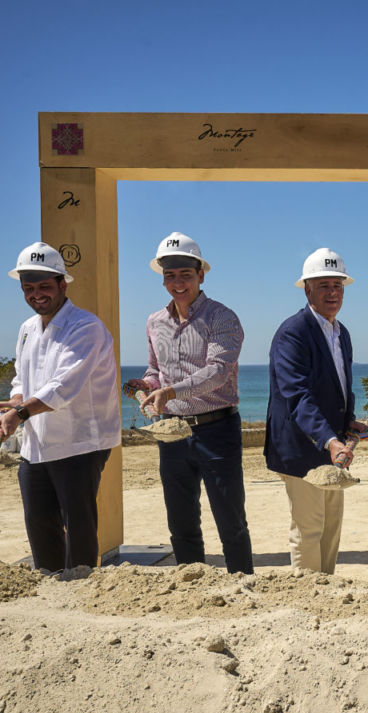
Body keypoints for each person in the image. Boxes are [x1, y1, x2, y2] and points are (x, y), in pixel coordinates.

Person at [0, 242, 120, 572]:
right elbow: (23, 379)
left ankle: (83, 586)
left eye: (44, 286)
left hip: (80, 444)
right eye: (28, 288)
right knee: (38, 519)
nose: (36, 294)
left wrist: (18, 414)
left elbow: (65, 387)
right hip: (37, 443)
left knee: (79, 525)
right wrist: (15, 403)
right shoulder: (27, 329)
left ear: (63, 284)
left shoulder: (85, 327)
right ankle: (49, 586)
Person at [126, 232, 253, 574]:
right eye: (170, 275)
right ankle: (190, 587)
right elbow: (156, 369)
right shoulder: (155, 322)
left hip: (218, 430)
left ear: (201, 275)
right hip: (173, 435)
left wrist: (168, 392)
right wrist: (147, 384)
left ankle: (244, 589)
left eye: (185, 274)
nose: (177, 282)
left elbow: (218, 372)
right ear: (162, 277)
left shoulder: (222, 318)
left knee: (231, 521)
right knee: (180, 522)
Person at [265, 248, 368, 574]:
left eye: (337, 285)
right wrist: (330, 440)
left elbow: (340, 386)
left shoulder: (342, 333)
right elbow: (297, 396)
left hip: (331, 446)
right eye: (323, 285)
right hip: (302, 449)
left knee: (331, 528)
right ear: (307, 288)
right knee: (308, 529)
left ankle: (328, 593)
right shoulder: (292, 333)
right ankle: (306, 600)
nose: (332, 293)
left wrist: (348, 420)